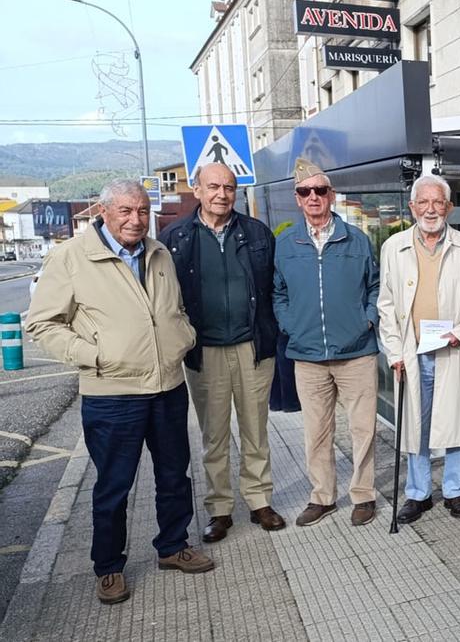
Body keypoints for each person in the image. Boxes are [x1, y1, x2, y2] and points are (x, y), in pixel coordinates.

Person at [26, 179, 212, 605]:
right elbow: (43, 323)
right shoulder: (71, 257)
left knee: (174, 475)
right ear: (104, 212)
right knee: (114, 486)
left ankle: (173, 546)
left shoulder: (159, 252)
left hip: (167, 386)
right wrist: (93, 356)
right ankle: (108, 567)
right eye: (126, 211)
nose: (136, 219)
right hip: (112, 393)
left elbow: (175, 309)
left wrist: (182, 336)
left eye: (142, 211)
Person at [162, 163, 285, 543]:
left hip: (252, 348)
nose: (222, 194)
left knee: (255, 430)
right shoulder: (174, 238)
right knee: (213, 435)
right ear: (196, 189)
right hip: (204, 351)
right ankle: (219, 509)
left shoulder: (257, 234)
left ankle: (259, 501)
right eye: (213, 186)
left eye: (229, 187)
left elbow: (275, 288)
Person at [378, 174, 460, 523]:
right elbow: (386, 304)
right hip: (412, 353)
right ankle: (418, 494)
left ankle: (455, 491)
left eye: (438, 202)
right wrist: (394, 352)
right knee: (416, 425)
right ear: (412, 207)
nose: (431, 209)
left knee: (457, 423)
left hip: (453, 350)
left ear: (449, 207)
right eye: (424, 202)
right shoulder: (394, 247)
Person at [273, 158, 381, 528]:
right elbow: (278, 292)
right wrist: (290, 325)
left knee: (363, 429)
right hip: (307, 355)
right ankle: (322, 497)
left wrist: (367, 319)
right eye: (305, 191)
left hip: (356, 352)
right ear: (297, 198)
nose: (313, 197)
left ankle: (363, 495)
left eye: (320, 190)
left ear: (331, 195)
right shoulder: (286, 243)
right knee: (316, 432)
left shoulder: (356, 239)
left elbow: (374, 286)